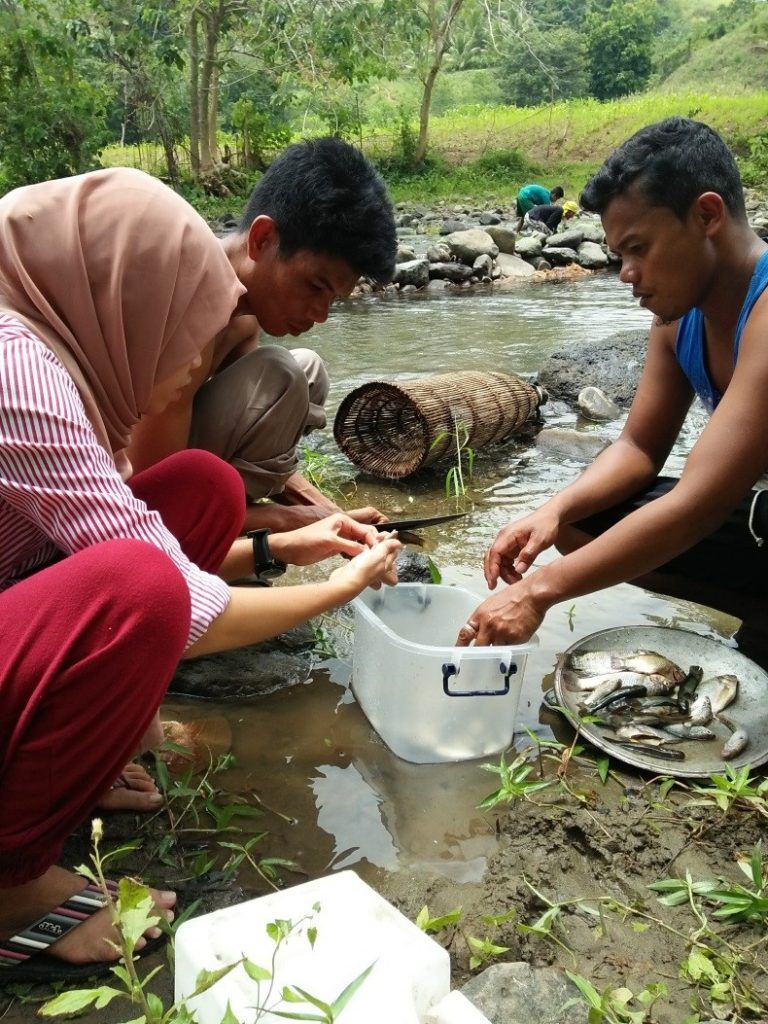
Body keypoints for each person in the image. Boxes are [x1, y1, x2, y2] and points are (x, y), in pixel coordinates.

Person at [0, 167, 401, 981]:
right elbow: (161, 590)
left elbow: (124, 525)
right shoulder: (17, 370)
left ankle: (71, 763)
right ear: (120, 293)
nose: (190, 360)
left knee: (199, 485)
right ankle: (10, 892)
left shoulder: (64, 353)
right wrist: (341, 587)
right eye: (180, 325)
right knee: (140, 587)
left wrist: (285, 545)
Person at [458, 117, 768, 657]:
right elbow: (639, 447)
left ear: (707, 215)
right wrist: (552, 511)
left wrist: (537, 592)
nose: (626, 272)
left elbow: (698, 504)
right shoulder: (677, 317)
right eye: (620, 254)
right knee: (579, 520)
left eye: (638, 248)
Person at [128, 137, 398, 533]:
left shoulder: (242, 314)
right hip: (123, 488)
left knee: (307, 370)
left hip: (173, 471)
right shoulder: (188, 303)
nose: (320, 315)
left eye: (333, 299)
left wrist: (330, 515)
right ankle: (218, 530)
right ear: (262, 239)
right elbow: (146, 498)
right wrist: (287, 522)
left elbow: (252, 442)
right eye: (315, 286)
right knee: (281, 374)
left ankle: (229, 518)